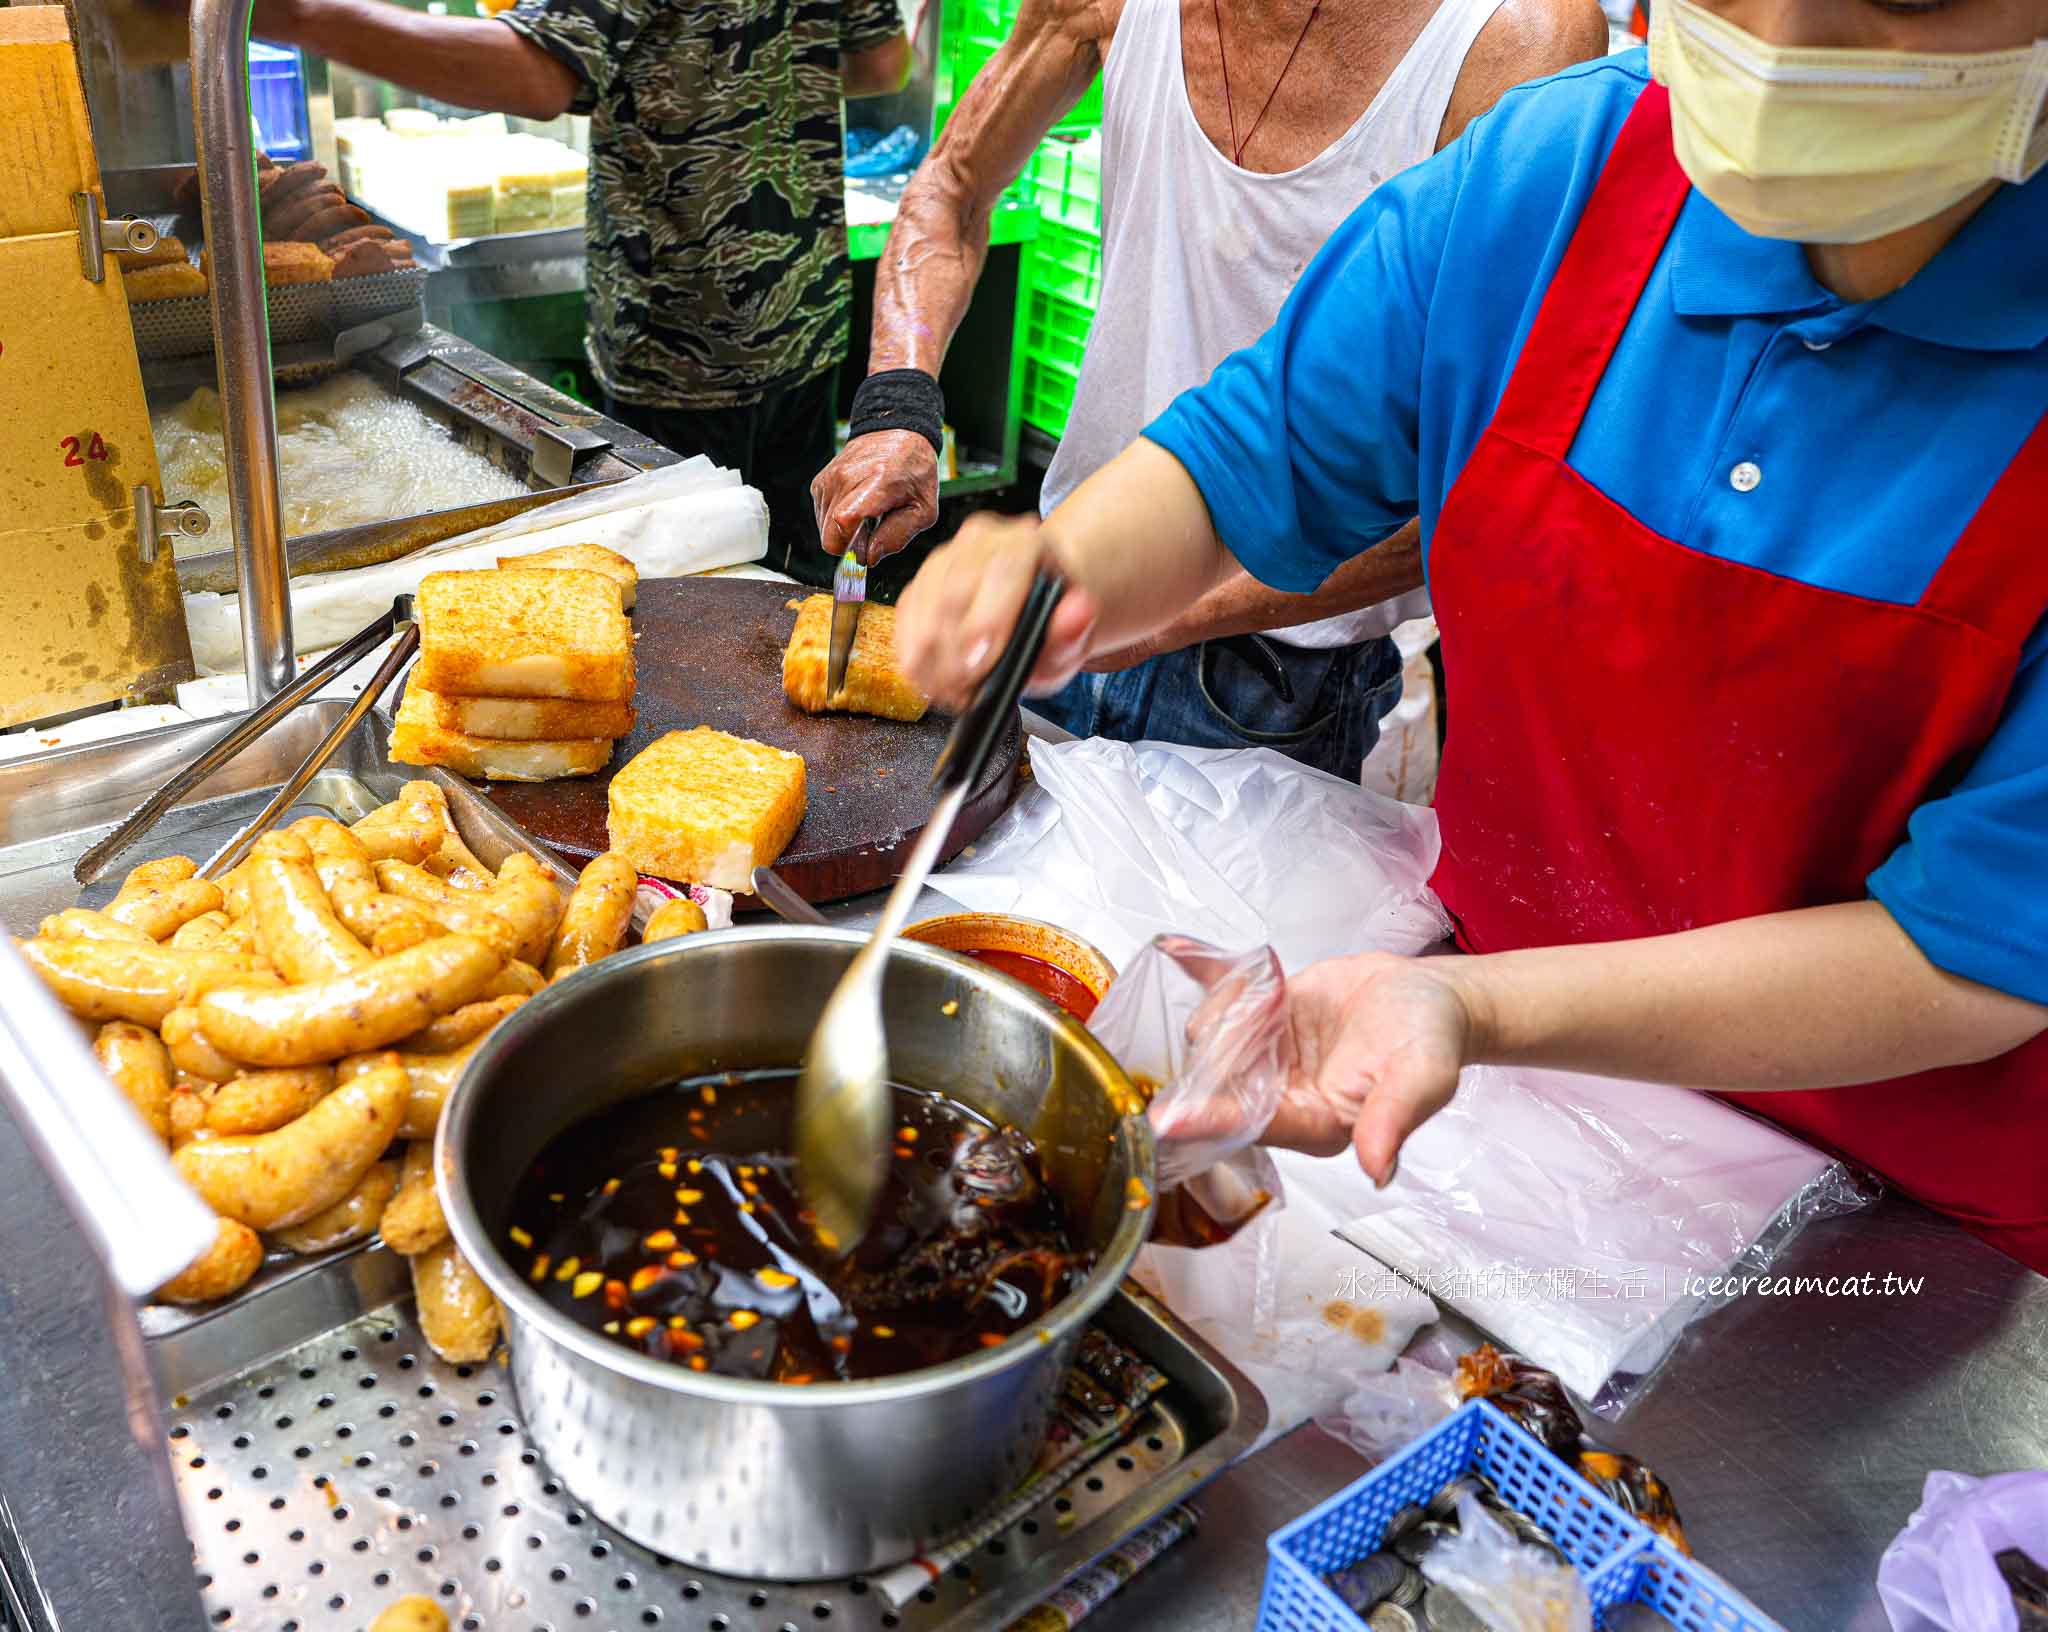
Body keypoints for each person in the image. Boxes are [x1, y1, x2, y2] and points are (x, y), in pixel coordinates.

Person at [889, 0, 2048, 1270]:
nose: (1778, 35)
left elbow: (1975, 953)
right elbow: (1251, 454)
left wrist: (1473, 1006)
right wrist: (1062, 569)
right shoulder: (1554, 176)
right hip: (1512, 1100)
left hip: (1891, 1206)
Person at [810, 0, 1607, 776]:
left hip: (1275, 677)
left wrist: (1156, 608)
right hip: (1064, 597)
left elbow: (1478, 479)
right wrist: (896, 406)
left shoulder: (1513, 39)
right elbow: (952, 187)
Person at [254, 0, 912, 580]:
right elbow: (884, 62)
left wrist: (297, 15)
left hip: (679, 335)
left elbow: (538, 74)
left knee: (684, 589)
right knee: (796, 579)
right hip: (804, 309)